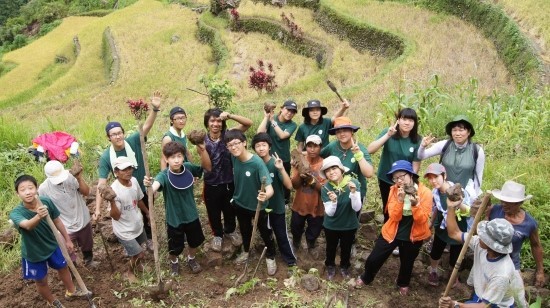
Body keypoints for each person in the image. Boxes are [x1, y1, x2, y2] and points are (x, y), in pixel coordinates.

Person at [9, 175, 90, 308]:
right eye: (23, 190)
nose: (28, 192)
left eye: (30, 188)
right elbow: (28, 225)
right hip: (33, 253)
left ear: (36, 188)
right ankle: (52, 301)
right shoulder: (16, 213)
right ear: (17, 194)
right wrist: (39, 216)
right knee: (41, 281)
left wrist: (67, 240)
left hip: (53, 245)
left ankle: (72, 291)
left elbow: (57, 221)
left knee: (63, 267)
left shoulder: (46, 201)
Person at [96, 91, 162, 250]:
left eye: (119, 133)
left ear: (123, 134)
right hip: (124, 193)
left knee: (147, 212)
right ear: (108, 138)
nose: (117, 137)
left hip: (144, 187)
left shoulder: (133, 141)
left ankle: (149, 238)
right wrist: (97, 208)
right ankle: (132, 242)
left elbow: (146, 127)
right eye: (113, 135)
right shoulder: (106, 157)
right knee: (129, 215)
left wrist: (154, 109)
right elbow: (102, 183)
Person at [356, 160, 432, 295]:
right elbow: (394, 216)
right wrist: (400, 200)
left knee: (407, 262)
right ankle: (366, 277)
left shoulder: (425, 192)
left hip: (414, 235)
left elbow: (422, 220)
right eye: (395, 178)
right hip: (392, 231)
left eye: (402, 176)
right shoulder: (394, 190)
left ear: (410, 174)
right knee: (374, 258)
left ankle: (403, 282)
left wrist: (415, 205)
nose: (399, 180)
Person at [438, 201, 524, 308]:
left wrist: (454, 304)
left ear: (491, 244)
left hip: (495, 305)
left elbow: (484, 306)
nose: (480, 235)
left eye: (484, 236)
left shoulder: (501, 273)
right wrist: (451, 207)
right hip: (481, 296)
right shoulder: (481, 244)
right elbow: (454, 233)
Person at [144, 141, 211, 276]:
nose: (176, 160)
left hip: (191, 214)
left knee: (195, 240)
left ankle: (191, 258)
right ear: (166, 159)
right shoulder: (164, 176)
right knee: (174, 246)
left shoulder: (188, 168)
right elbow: (153, 189)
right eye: (172, 157)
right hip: (174, 218)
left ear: (183, 157)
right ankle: (174, 262)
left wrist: (203, 151)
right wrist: (148, 185)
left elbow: (205, 167)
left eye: (179, 156)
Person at [224, 129, 276, 271]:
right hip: (240, 203)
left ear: (245, 143)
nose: (233, 147)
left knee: (265, 232)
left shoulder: (257, 163)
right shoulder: (234, 157)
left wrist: (265, 196)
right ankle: (246, 251)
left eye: (236, 143)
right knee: (245, 230)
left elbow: (270, 189)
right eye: (229, 145)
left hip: (258, 206)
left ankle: (271, 256)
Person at [487, 181, 545, 306]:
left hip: (511, 263)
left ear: (520, 203)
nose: (504, 204)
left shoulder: (529, 224)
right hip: (489, 259)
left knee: (519, 299)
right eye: (503, 200)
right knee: (485, 293)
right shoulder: (495, 210)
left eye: (509, 203)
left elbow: (535, 246)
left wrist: (540, 271)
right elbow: (482, 231)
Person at [202, 108, 252, 252]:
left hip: (229, 181)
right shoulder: (203, 140)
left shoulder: (229, 136)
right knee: (213, 210)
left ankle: (230, 231)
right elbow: (206, 166)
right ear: (207, 123)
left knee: (230, 209)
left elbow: (248, 124)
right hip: (211, 183)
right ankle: (217, 235)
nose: (216, 124)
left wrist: (230, 115)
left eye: (218, 121)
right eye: (212, 121)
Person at [38, 160, 98, 268]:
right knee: (66, 247)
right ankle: (72, 267)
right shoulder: (44, 189)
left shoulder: (71, 177)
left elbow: (87, 192)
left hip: (81, 216)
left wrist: (79, 178)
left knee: (87, 241)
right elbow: (45, 208)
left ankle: (88, 260)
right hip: (64, 223)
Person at [252, 132, 296, 274]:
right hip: (261, 208)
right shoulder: (254, 164)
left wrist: (281, 168)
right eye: (257, 146)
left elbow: (289, 186)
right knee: (266, 233)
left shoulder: (275, 163)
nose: (261, 148)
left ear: (269, 146)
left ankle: (290, 261)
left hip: (276, 206)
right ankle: (270, 256)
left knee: (281, 234)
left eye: (264, 145)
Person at [367, 108, 422, 223]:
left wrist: (411, 183)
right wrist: (387, 135)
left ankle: (401, 233)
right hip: (386, 178)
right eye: (404, 119)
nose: (407, 123)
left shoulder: (417, 140)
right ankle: (387, 231)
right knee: (388, 207)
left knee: (404, 207)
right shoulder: (389, 132)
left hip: (405, 181)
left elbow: (416, 164)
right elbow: (370, 150)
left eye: (411, 120)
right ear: (398, 120)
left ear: (415, 123)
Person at [418, 115, 485, 202]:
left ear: (469, 132)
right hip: (445, 191)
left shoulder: (477, 150)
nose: (457, 133)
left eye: (461, 130)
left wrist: (474, 198)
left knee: (464, 214)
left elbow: (478, 177)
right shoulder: (445, 145)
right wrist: (422, 146)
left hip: (466, 194)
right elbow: (421, 156)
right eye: (454, 130)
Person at [424, 163, 470, 287]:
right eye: (430, 178)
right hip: (442, 228)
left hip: (458, 226)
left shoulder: (457, 190)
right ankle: (433, 271)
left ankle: (452, 274)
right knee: (436, 251)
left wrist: (458, 203)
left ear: (444, 175)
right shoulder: (435, 192)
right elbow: (436, 209)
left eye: (436, 177)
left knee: (456, 254)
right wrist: (431, 223)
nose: (433, 181)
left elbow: (469, 211)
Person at [106, 156, 150, 282]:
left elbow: (139, 199)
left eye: (129, 168)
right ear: (116, 172)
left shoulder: (134, 181)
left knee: (141, 247)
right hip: (125, 231)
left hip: (137, 224)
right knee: (138, 253)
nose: (128, 171)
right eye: (123, 169)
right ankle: (129, 273)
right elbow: (115, 216)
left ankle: (139, 266)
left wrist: (147, 213)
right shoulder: (114, 190)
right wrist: (112, 201)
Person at [319, 156, 361, 280]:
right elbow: (330, 213)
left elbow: (356, 207)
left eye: (334, 168)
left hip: (349, 225)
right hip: (331, 225)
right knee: (330, 247)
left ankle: (344, 266)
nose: (331, 172)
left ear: (341, 169)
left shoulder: (353, 183)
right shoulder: (325, 187)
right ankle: (330, 265)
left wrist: (353, 193)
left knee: (346, 248)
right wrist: (333, 202)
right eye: (327, 170)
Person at [320, 117, 374, 202]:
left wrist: (358, 155)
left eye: (345, 130)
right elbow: (319, 156)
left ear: (352, 131)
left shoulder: (361, 149)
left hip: (355, 192)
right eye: (338, 132)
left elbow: (369, 174)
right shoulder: (332, 146)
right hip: (335, 192)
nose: (342, 134)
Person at [257, 100, 298, 204]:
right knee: (269, 179)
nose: (290, 113)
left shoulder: (292, 125)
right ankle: (268, 199)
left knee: (285, 181)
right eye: (288, 110)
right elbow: (260, 133)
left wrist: (273, 122)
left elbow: (283, 135)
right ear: (282, 109)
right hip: (268, 158)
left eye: (293, 112)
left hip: (284, 158)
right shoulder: (271, 119)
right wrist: (266, 117)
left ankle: (285, 202)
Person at [290, 135, 325, 256]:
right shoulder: (300, 161)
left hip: (317, 205)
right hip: (299, 203)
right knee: (295, 227)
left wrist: (311, 180)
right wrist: (298, 173)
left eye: (315, 146)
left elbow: (324, 189)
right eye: (309, 146)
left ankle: (311, 244)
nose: (312, 149)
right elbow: (294, 185)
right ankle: (296, 243)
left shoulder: (324, 164)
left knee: (314, 229)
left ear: (321, 147)